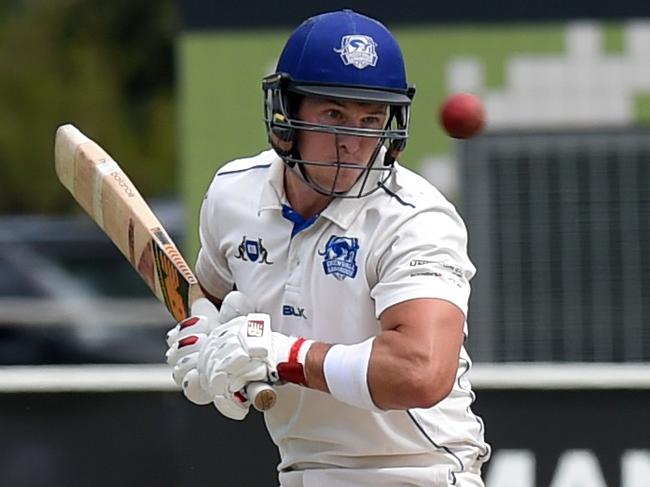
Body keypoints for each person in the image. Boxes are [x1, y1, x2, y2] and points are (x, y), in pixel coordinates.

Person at [165, 9, 491, 486]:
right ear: (287, 116)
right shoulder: (232, 194)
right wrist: (204, 339)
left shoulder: (416, 218)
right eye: (334, 115)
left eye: (371, 118)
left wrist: (282, 355)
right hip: (301, 471)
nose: (353, 141)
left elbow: (421, 371)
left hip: (419, 471)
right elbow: (211, 300)